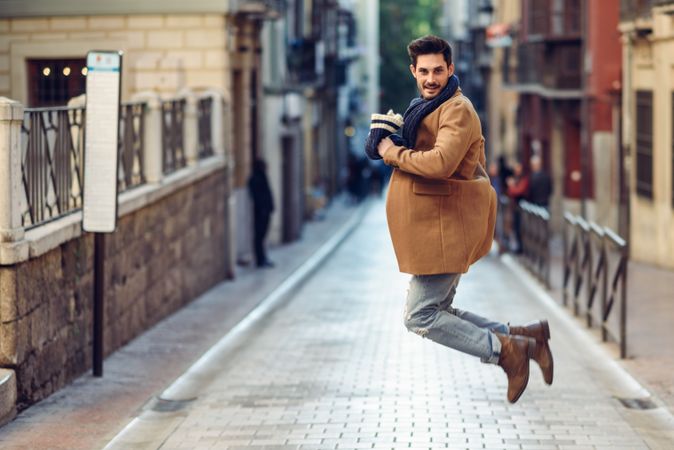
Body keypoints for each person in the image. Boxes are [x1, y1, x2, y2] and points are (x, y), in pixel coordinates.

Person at [375, 35, 553, 403]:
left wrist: (392, 152)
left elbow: (441, 163)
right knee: (438, 310)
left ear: (450, 69)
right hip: (434, 226)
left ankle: (506, 351)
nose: (430, 78)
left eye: (438, 70)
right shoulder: (425, 107)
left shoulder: (456, 109)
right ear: (414, 72)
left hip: (445, 227)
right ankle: (525, 337)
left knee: (421, 316)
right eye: (423, 71)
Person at [248, 158, 275, 268]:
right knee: (259, 236)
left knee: (262, 236)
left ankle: (263, 258)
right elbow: (257, 196)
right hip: (261, 213)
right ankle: (260, 260)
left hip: (265, 211)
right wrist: (263, 209)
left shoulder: (262, 177)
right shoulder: (255, 179)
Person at [506, 161, 529, 253]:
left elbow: (518, 191)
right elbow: (510, 193)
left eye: (518, 169)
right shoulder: (515, 179)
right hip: (515, 207)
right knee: (515, 227)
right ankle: (517, 246)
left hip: (522, 207)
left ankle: (522, 248)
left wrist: (511, 186)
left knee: (520, 228)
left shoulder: (523, 179)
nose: (517, 171)